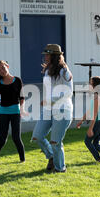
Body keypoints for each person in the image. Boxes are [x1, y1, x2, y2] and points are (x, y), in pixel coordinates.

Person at [32, 44, 73, 173]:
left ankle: (60, 168)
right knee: (37, 136)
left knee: (55, 142)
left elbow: (68, 92)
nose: (45, 57)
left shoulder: (64, 71)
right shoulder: (48, 71)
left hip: (63, 110)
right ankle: (51, 157)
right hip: (48, 109)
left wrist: (50, 100)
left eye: (48, 54)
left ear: (55, 56)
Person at [0, 60, 26, 163]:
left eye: (3, 67)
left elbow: (22, 97)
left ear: (7, 66)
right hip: (3, 113)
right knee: (2, 138)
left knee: (16, 138)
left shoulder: (17, 80)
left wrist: (21, 109)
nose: (1, 71)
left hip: (15, 112)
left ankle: (22, 160)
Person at [76, 76, 100, 164]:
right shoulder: (98, 96)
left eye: (90, 83)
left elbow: (94, 115)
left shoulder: (97, 98)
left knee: (87, 141)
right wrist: (81, 120)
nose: (89, 85)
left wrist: (90, 128)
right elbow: (89, 111)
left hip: (99, 122)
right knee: (96, 143)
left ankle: (98, 159)